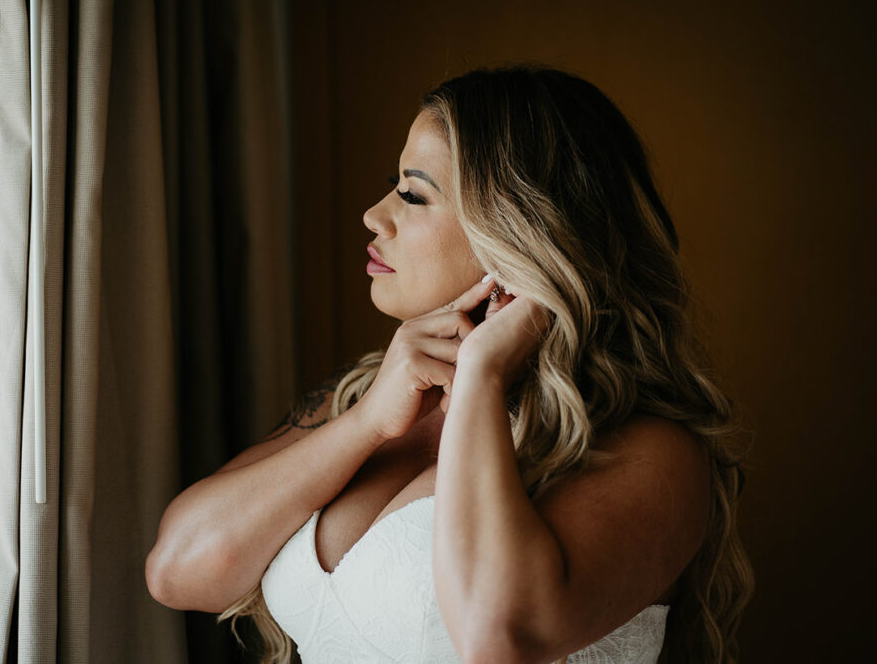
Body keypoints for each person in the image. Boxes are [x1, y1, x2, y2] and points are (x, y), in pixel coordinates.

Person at [145, 64, 753, 664]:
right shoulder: (362, 394)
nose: (373, 215)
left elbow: (498, 636)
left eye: (412, 193)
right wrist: (366, 424)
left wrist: (483, 378)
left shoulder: (651, 450)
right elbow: (177, 571)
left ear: (519, 232)